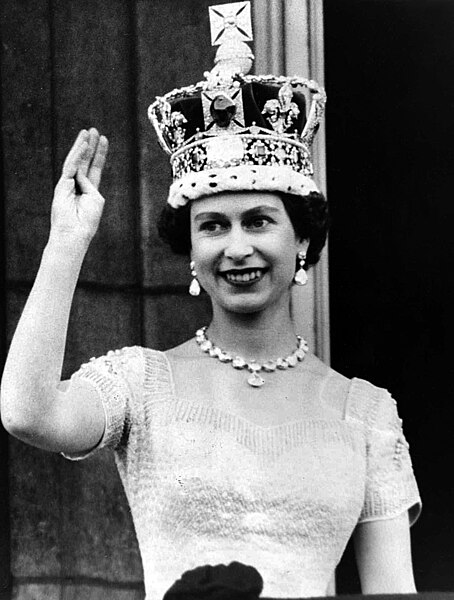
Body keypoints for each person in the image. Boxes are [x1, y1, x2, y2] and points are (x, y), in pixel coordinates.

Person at [0, 3, 421, 599]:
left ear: (301, 237)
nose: (236, 248)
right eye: (213, 226)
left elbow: (391, 593)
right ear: (191, 249)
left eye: (258, 221)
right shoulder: (141, 385)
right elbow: (27, 412)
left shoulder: (367, 416)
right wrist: (68, 242)